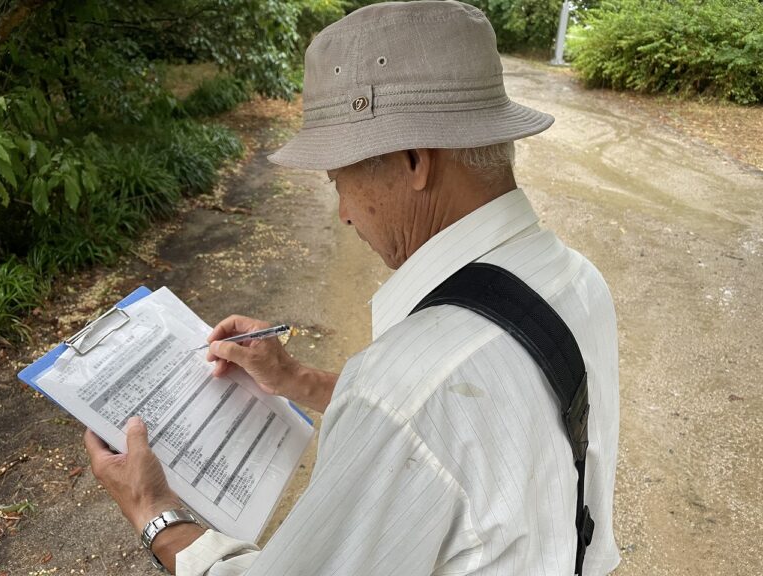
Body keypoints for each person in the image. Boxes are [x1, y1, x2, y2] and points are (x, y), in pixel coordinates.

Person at [84, 2, 621, 575]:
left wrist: (154, 511)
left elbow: (418, 410)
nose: (342, 212)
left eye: (339, 179)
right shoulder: (577, 280)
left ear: (414, 161)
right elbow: (471, 432)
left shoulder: (399, 394)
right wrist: (296, 380)